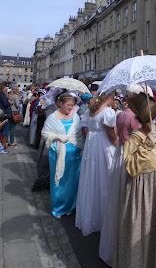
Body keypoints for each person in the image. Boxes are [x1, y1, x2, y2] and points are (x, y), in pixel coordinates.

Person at [114, 92, 156, 268]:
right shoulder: (135, 139)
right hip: (145, 193)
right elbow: (132, 167)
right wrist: (148, 143)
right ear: (151, 120)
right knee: (143, 229)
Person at [99, 88, 141, 266]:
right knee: (127, 198)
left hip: (121, 152)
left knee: (117, 198)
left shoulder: (121, 114)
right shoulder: (134, 117)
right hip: (131, 156)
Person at [75, 93, 117, 236]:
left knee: (92, 179)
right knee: (106, 177)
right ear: (109, 98)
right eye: (114, 97)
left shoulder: (90, 111)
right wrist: (118, 146)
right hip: (103, 145)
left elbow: (85, 130)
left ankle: (91, 216)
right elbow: (111, 134)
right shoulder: (107, 112)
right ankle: (104, 217)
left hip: (92, 145)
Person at [41, 92, 83, 219]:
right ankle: (58, 208)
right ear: (60, 104)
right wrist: (58, 137)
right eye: (68, 105)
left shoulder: (75, 116)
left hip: (75, 154)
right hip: (58, 153)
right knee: (59, 181)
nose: (70, 107)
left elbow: (79, 133)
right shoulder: (52, 118)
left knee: (72, 181)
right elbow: (45, 133)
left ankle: (70, 206)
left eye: (72, 105)